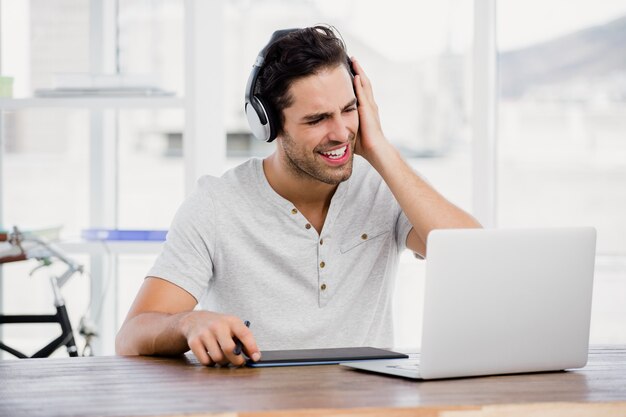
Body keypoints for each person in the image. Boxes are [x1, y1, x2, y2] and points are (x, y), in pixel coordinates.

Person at [115, 25, 480, 367]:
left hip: (370, 405)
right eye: (317, 119)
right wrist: (187, 324)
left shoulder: (385, 187)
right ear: (269, 123)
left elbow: (471, 256)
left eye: (349, 110)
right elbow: (131, 337)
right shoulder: (216, 204)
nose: (340, 132)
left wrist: (379, 147)